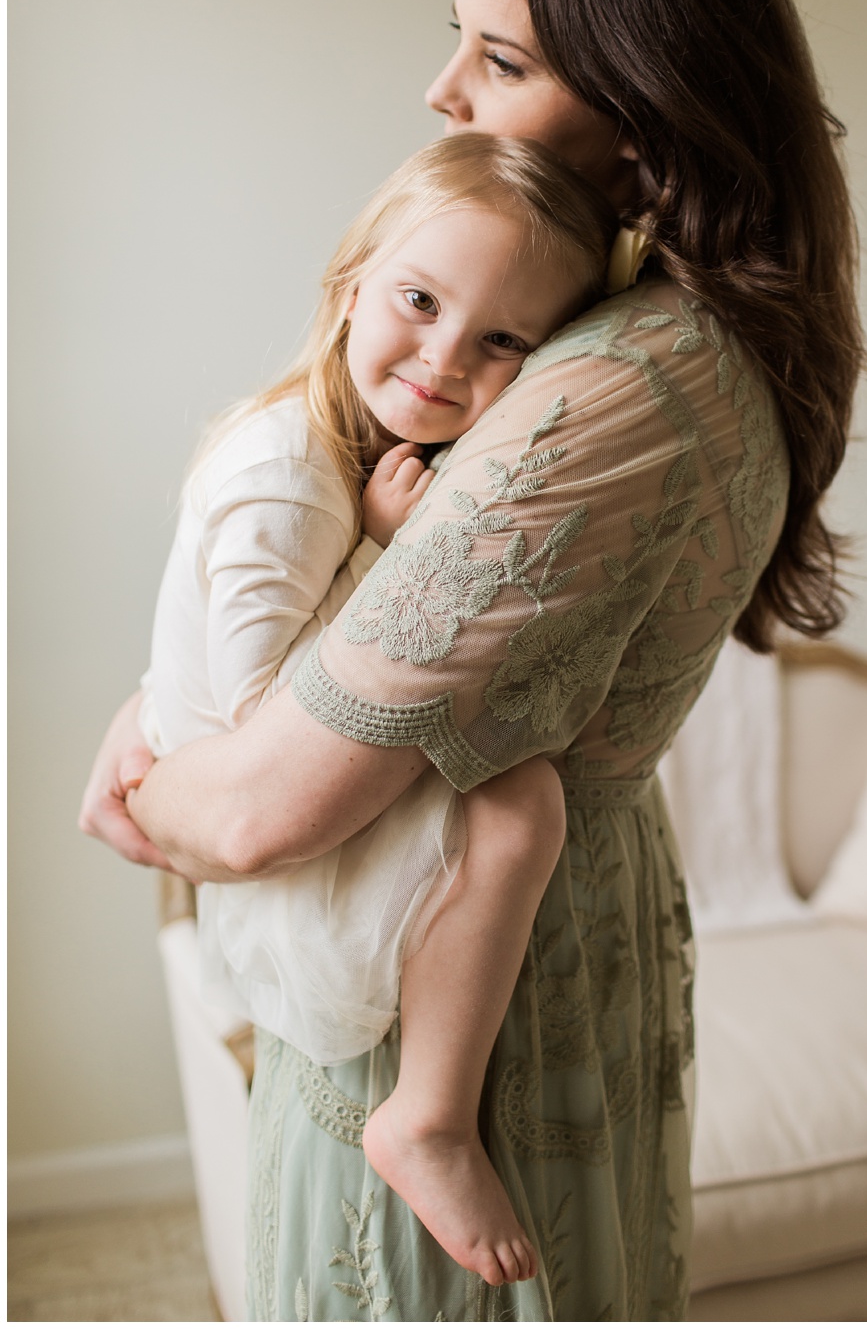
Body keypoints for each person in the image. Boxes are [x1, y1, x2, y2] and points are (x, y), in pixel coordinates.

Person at [80, 0, 864, 1319]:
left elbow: (261, 805)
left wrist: (154, 787)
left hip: (454, 973)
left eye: (500, 58)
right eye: (459, 37)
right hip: (538, 932)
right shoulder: (666, 331)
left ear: (649, 118)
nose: (445, 90)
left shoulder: (612, 385)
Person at [146, 134, 619, 1286]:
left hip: (274, 812)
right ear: (353, 282)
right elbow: (266, 731)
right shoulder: (290, 477)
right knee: (518, 805)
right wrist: (379, 555)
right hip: (267, 856)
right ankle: (428, 1118)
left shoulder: (360, 450)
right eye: (418, 299)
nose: (445, 357)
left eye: (503, 340)